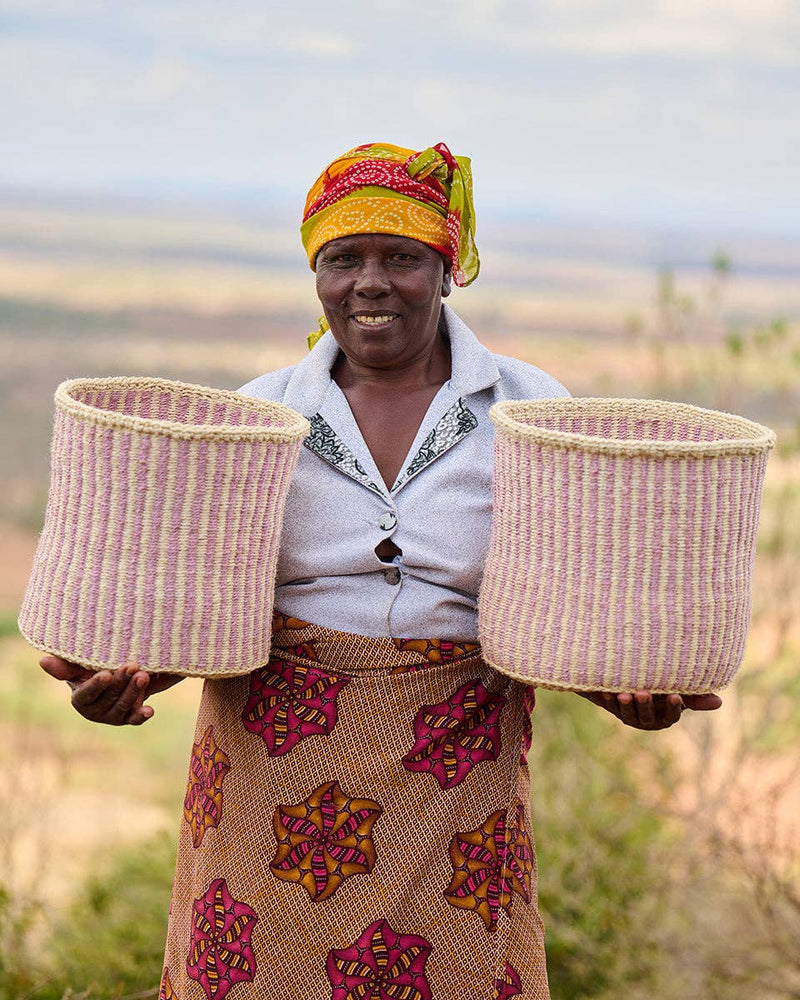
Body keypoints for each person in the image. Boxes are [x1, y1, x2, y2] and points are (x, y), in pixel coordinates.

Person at [40, 141, 721, 1000]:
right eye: (342, 260)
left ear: (448, 270)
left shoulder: (527, 409)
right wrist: (129, 681)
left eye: (401, 258)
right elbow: (206, 600)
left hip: (457, 769)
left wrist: (622, 688)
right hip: (267, 763)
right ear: (315, 275)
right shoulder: (260, 412)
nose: (369, 283)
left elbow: (568, 598)